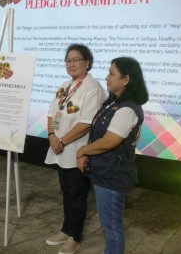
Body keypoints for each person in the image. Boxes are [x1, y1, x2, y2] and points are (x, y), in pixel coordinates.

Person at [76, 57, 149, 254]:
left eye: (111, 74)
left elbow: (109, 141)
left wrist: (82, 151)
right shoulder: (114, 103)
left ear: (126, 79)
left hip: (113, 176)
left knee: (112, 227)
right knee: (109, 224)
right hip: (104, 172)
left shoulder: (127, 109)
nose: (107, 78)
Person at [45, 44, 106, 254]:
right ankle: (66, 229)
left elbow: (86, 123)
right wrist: (52, 135)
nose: (71, 64)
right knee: (67, 191)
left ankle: (75, 236)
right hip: (61, 148)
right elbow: (52, 114)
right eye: (68, 60)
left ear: (87, 62)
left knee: (77, 194)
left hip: (78, 150)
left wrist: (62, 141)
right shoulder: (65, 86)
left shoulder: (93, 88)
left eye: (76, 59)